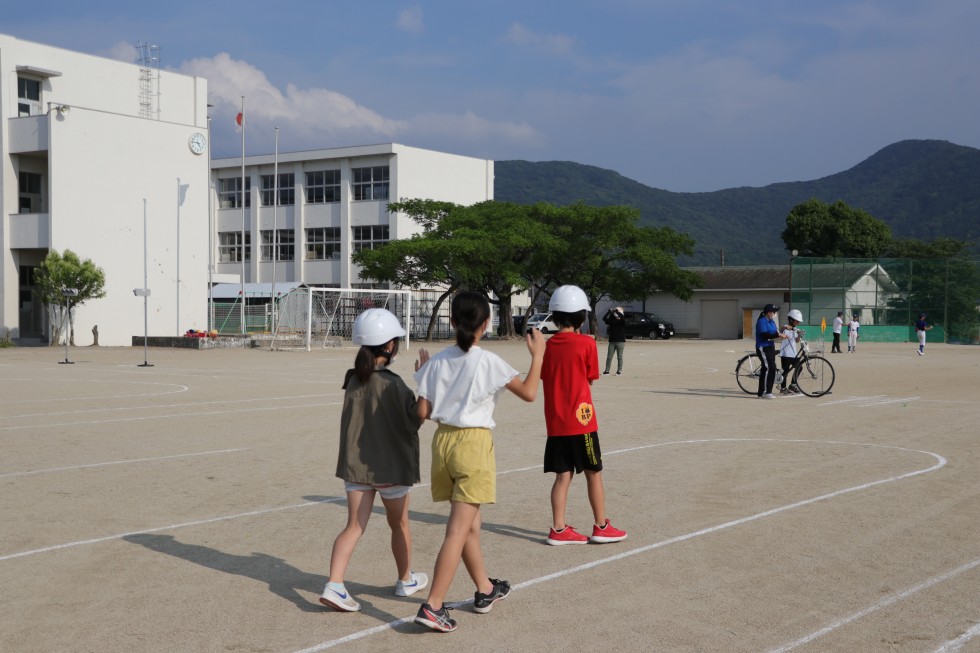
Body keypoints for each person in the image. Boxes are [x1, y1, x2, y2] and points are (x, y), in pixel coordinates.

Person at [412, 291, 545, 633]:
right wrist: (539, 355)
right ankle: (433, 605)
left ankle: (485, 589)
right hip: (473, 444)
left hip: (443, 443)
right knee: (458, 528)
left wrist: (425, 376)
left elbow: (421, 414)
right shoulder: (489, 361)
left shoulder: (436, 362)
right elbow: (530, 392)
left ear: (452, 321)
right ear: (486, 324)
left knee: (470, 524)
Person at [319, 308, 428, 613]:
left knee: (353, 526)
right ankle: (405, 579)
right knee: (400, 524)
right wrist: (425, 381)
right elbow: (419, 416)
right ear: (390, 346)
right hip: (391, 468)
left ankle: (335, 584)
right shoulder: (394, 384)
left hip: (356, 470)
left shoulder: (353, 380)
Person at [541, 285, 628, 546]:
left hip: (556, 423)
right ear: (581, 316)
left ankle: (558, 529)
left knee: (562, 476)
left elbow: (546, 377)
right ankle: (601, 525)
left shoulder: (547, 346)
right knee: (593, 472)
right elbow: (591, 378)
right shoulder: (587, 343)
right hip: (582, 421)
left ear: (555, 316)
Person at [755, 304, 786, 399]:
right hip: (763, 347)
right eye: (774, 312)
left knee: (765, 369)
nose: (775, 314)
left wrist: (781, 334)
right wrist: (778, 336)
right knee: (771, 367)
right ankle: (767, 391)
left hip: (770, 347)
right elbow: (765, 335)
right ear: (769, 313)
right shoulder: (762, 321)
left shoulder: (772, 321)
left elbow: (775, 333)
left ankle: (761, 392)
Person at [779, 309, 804, 394]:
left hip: (793, 354)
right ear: (791, 319)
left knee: (799, 367)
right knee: (785, 371)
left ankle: (793, 384)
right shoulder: (786, 327)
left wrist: (799, 335)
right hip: (785, 353)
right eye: (797, 321)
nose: (798, 323)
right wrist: (786, 327)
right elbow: (781, 330)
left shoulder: (795, 329)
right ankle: (783, 388)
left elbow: (796, 341)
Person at [601, 306, 626, 375]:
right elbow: (604, 318)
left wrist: (617, 312)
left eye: (617, 310)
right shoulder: (612, 319)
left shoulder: (622, 320)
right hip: (612, 341)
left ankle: (619, 371)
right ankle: (607, 370)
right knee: (609, 356)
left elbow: (622, 318)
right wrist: (609, 312)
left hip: (620, 341)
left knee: (619, 356)